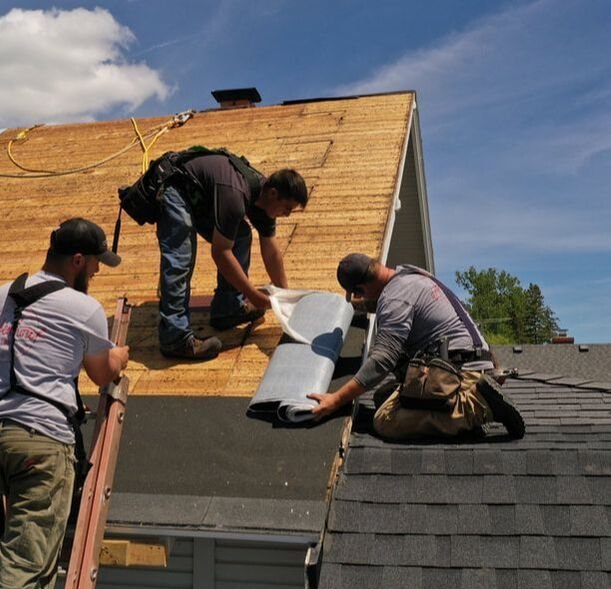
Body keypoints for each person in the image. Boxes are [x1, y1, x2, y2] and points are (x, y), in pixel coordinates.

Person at [0, 217, 130, 589]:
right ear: (77, 260)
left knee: (28, 558)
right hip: (41, 440)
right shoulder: (83, 308)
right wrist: (120, 355)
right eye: (96, 264)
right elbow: (100, 373)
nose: (97, 273)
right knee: (27, 564)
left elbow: (31, 355)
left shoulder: (2, 295)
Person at [307, 253, 525, 440]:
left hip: (460, 373)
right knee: (383, 396)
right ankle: (464, 421)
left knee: (385, 420)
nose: (360, 298)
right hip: (476, 361)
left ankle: (475, 406)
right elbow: (382, 302)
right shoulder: (410, 275)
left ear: (360, 287)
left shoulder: (394, 298)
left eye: (358, 294)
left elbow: (383, 359)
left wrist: (336, 399)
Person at [151, 151, 308, 359]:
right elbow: (221, 252)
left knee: (241, 235)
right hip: (174, 188)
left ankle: (228, 309)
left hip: (199, 193)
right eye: (287, 208)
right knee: (181, 256)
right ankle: (175, 337)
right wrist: (253, 295)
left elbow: (271, 252)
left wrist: (286, 296)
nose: (287, 215)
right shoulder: (236, 195)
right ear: (273, 194)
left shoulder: (263, 200)